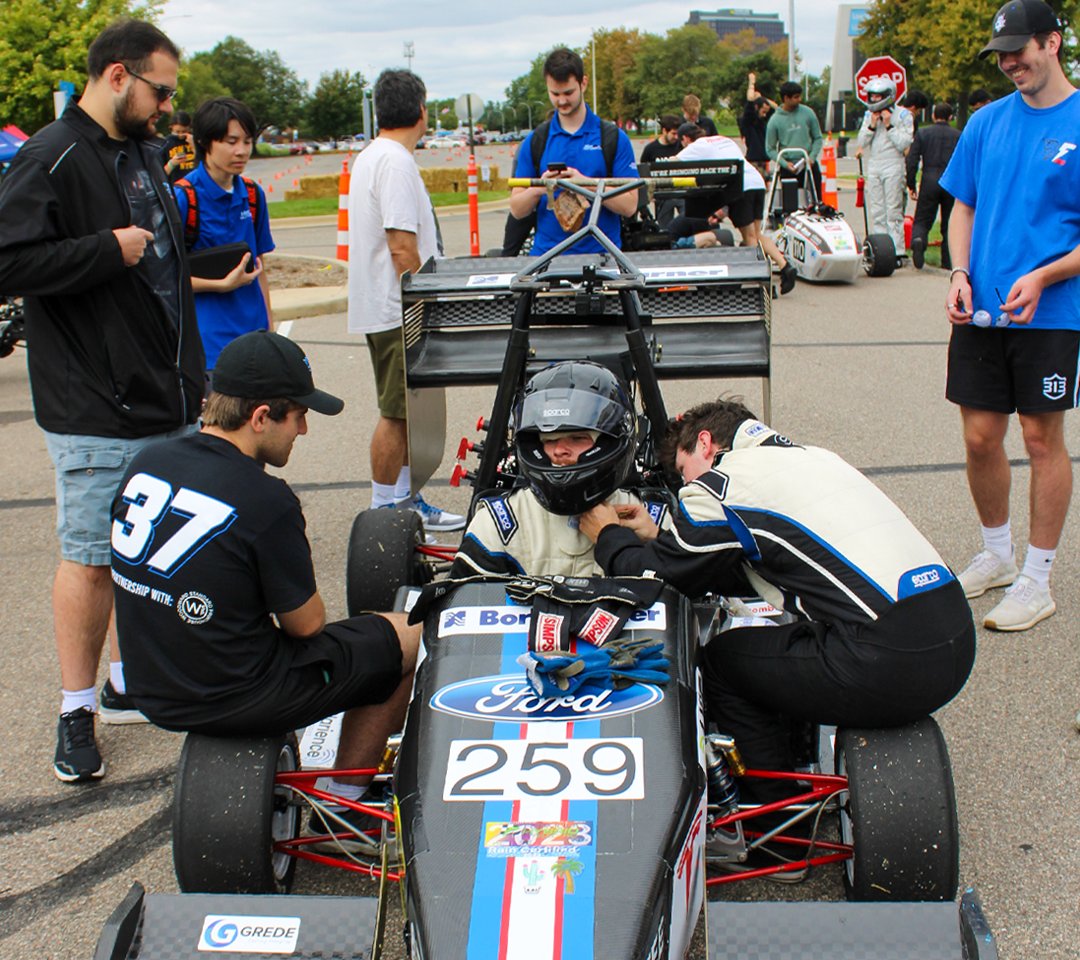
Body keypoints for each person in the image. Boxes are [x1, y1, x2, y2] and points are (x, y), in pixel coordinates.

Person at [578, 398, 975, 805]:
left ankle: (776, 823)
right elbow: (759, 563)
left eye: (683, 471)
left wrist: (609, 534)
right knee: (787, 638)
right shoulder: (818, 459)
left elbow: (656, 579)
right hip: (956, 643)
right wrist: (659, 536)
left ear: (706, 444)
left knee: (720, 662)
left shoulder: (719, 483)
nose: (684, 487)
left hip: (885, 664)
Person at [0, 19, 204, 782]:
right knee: (90, 560)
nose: (166, 106)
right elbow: (8, 260)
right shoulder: (49, 157)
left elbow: (162, 271)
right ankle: (75, 709)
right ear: (117, 76)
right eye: (160, 90)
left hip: (166, 394)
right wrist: (101, 251)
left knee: (156, 550)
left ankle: (127, 684)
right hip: (93, 404)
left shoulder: (141, 154)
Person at [110, 330, 420, 815]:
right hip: (234, 693)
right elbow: (307, 625)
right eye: (298, 416)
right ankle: (345, 795)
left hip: (150, 685)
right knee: (409, 635)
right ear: (260, 418)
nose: (303, 431)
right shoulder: (266, 499)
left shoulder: (148, 463)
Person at [942, 0, 1080, 631]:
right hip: (982, 312)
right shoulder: (985, 122)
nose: (1008, 63)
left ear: (1053, 42)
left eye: (1019, 50)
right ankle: (997, 555)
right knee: (978, 438)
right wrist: (960, 272)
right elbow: (962, 208)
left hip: (1053, 312)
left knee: (1040, 439)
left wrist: (1046, 274)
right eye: (1000, 54)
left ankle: (1037, 578)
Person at [347, 68, 464, 531]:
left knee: (406, 411)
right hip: (398, 311)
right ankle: (384, 510)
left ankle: (404, 499)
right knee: (397, 413)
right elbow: (402, 247)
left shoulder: (373, 156)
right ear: (421, 111)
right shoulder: (394, 161)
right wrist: (423, 304)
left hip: (386, 307)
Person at [452, 362, 663, 579]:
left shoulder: (652, 522)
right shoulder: (498, 523)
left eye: (577, 438)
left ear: (609, 442)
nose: (560, 450)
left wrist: (656, 539)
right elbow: (460, 605)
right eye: (549, 439)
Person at [176, 97, 274, 372]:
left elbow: (260, 266)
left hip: (255, 338)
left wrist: (270, 329)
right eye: (231, 142)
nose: (242, 151)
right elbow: (164, 277)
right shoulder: (184, 198)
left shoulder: (253, 194)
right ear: (206, 142)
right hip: (208, 347)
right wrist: (220, 285)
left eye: (247, 141)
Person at [509, 48, 639, 256]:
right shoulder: (536, 141)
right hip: (546, 260)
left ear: (583, 83)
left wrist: (586, 184)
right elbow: (516, 209)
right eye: (555, 94)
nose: (561, 101)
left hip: (602, 258)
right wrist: (542, 187)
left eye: (568, 93)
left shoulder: (613, 138)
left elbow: (631, 205)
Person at [670, 127, 797, 294]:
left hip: (741, 186)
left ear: (688, 139)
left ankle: (763, 284)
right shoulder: (724, 139)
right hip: (756, 182)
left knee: (749, 238)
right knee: (757, 234)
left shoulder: (699, 145)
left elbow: (672, 161)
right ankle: (785, 266)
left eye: (683, 141)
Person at [855, 75, 914, 256]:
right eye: (872, 96)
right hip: (874, 163)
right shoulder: (868, 115)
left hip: (893, 163)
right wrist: (872, 126)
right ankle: (882, 251)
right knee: (877, 210)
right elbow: (861, 141)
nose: (874, 100)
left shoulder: (903, 114)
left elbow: (904, 143)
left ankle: (897, 250)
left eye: (878, 97)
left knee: (893, 211)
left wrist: (889, 126)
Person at [906, 102, 960, 270]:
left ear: (933, 116)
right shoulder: (958, 135)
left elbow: (911, 160)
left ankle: (919, 240)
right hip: (951, 181)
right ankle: (947, 261)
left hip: (929, 178)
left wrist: (911, 183)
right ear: (950, 117)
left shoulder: (923, 133)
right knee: (949, 223)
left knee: (922, 218)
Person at [765, 81, 824, 197]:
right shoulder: (775, 120)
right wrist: (785, 164)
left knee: (816, 198)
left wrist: (812, 158)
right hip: (789, 167)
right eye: (796, 97)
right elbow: (770, 149)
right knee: (791, 202)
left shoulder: (808, 113)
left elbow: (817, 138)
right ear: (786, 98)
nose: (799, 100)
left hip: (808, 163)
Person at [160, 110, 195, 183]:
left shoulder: (195, 140)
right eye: (177, 132)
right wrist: (172, 163)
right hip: (176, 187)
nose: (181, 135)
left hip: (196, 184)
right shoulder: (166, 143)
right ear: (171, 128)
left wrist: (194, 146)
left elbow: (206, 164)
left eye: (184, 131)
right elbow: (160, 176)